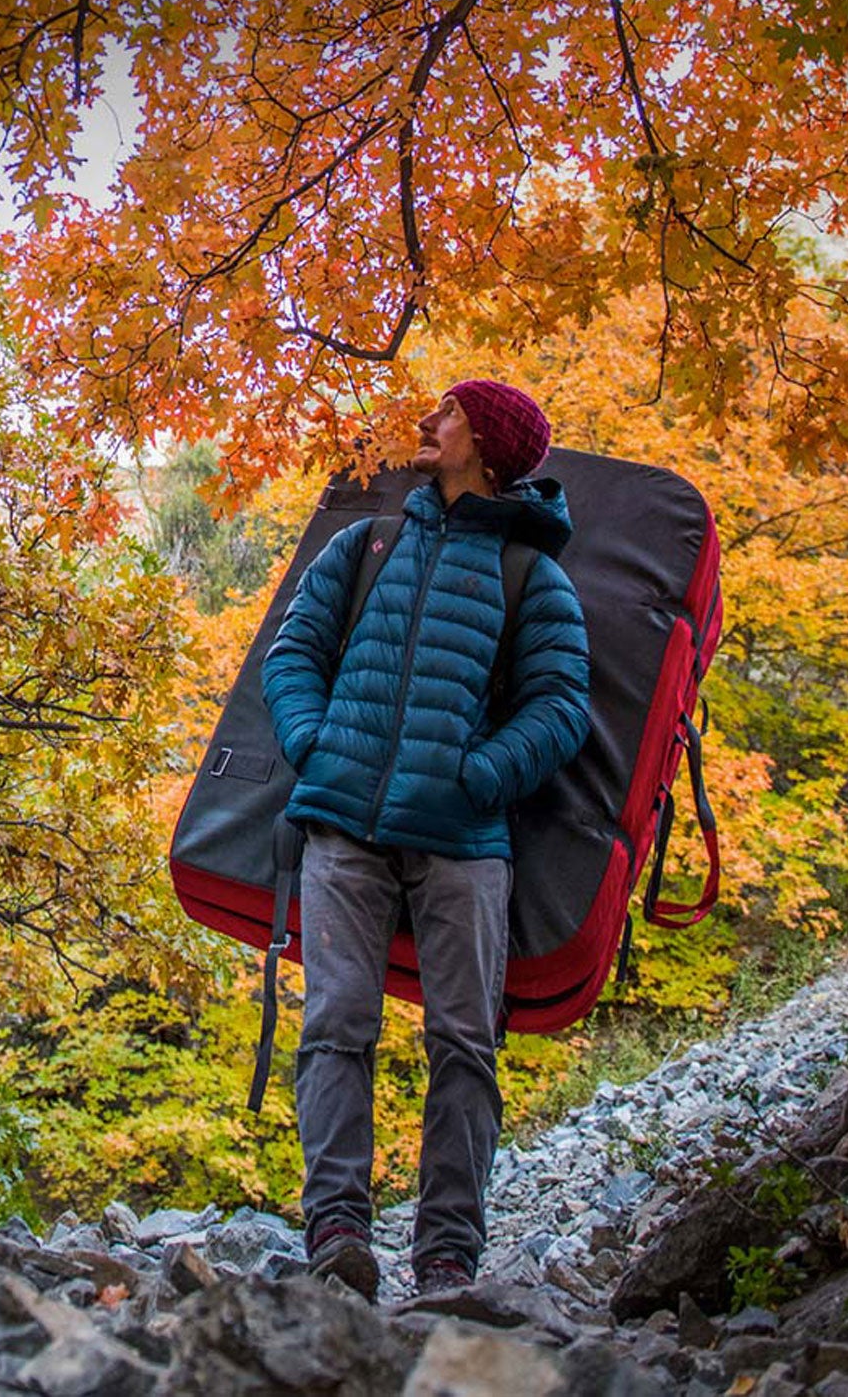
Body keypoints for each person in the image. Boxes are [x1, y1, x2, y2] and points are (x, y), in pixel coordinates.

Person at [261, 378, 590, 1299]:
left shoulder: (534, 576)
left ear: (483, 442)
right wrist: (315, 743)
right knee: (334, 1029)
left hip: (462, 841)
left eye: (446, 413)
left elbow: (561, 708)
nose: (427, 425)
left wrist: (474, 776)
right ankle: (338, 1237)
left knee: (463, 1045)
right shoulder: (367, 542)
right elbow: (293, 654)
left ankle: (447, 1257)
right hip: (345, 830)